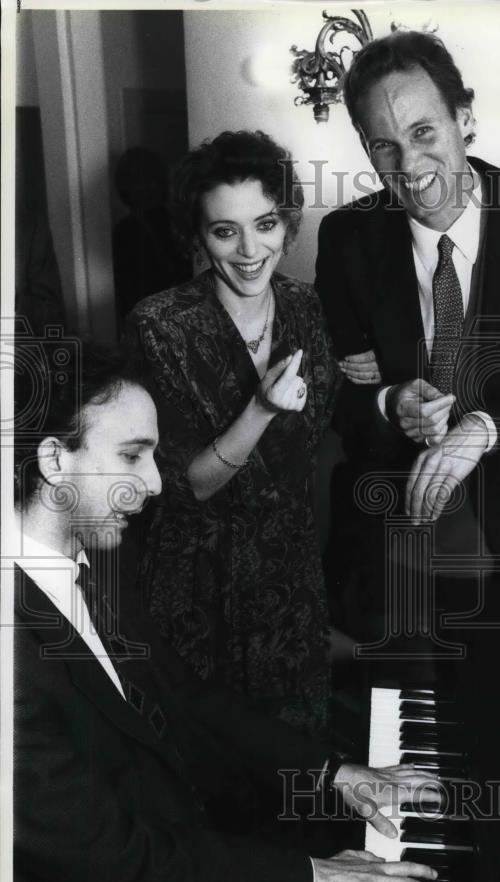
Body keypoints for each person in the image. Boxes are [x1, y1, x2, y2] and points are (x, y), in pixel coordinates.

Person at [11, 341, 447, 882]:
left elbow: (184, 698)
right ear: (53, 459)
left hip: (174, 860)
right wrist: (313, 878)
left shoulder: (93, 555)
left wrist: (334, 772)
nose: (156, 483)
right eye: (132, 456)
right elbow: (110, 857)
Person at [315, 31, 500, 629]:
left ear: (464, 117)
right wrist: (386, 400)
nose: (408, 166)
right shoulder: (346, 238)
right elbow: (333, 396)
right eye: (384, 145)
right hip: (393, 517)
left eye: (423, 132)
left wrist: (482, 429)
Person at [126, 130, 356, 732]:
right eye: (225, 231)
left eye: (267, 224)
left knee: (298, 764)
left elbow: (327, 422)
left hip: (290, 578)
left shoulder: (307, 308)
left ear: (287, 223)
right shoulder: (160, 328)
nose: (250, 249)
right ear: (198, 236)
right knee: (212, 768)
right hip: (198, 587)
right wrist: (260, 409)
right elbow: (188, 486)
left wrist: (385, 393)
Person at [112, 147, 191, 327]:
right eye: (136, 182)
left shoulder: (176, 219)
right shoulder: (126, 230)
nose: (144, 188)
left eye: (149, 181)